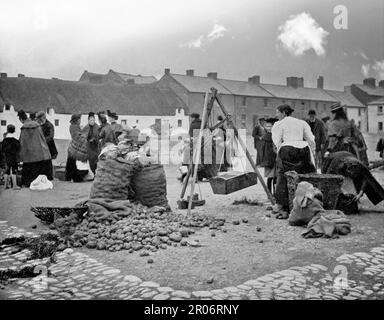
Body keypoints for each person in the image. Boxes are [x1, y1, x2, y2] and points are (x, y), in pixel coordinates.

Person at [272, 104, 316, 219]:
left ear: (284, 113)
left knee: (283, 175)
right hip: (303, 150)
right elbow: (311, 139)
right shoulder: (302, 123)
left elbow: (276, 140)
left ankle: (281, 205)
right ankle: (306, 202)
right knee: (304, 175)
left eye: (277, 112)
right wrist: (312, 152)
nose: (276, 115)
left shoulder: (279, 124)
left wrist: (279, 153)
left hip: (287, 150)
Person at [17, 110, 52, 187]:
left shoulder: (24, 128)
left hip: (29, 155)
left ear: (21, 119)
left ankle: (27, 184)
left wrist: (19, 154)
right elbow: (42, 139)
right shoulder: (37, 125)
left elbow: (22, 142)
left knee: (27, 170)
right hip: (39, 153)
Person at [36, 111, 57, 181]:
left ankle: (49, 177)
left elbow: (51, 136)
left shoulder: (49, 125)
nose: (37, 120)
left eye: (39, 119)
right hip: (42, 147)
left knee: (48, 162)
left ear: (42, 118)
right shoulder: (39, 125)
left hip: (49, 147)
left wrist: (42, 141)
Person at [65, 114, 87, 182]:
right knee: (71, 164)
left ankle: (71, 178)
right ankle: (73, 178)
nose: (80, 121)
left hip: (72, 147)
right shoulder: (74, 127)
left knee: (71, 163)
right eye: (79, 119)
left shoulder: (73, 126)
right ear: (77, 120)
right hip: (74, 148)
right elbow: (78, 136)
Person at [259, 117, 278, 195]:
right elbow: (263, 151)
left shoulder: (275, 136)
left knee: (275, 178)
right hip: (270, 160)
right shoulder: (267, 137)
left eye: (270, 126)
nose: (268, 128)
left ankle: (274, 193)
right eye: (267, 126)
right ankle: (270, 193)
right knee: (271, 178)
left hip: (274, 160)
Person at [1, 124, 21, 189]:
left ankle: (5, 185)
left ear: (7, 130)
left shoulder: (4, 140)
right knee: (14, 170)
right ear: (14, 131)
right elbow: (19, 149)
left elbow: (2, 149)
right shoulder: (15, 141)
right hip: (13, 158)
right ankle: (15, 186)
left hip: (6, 157)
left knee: (7, 171)